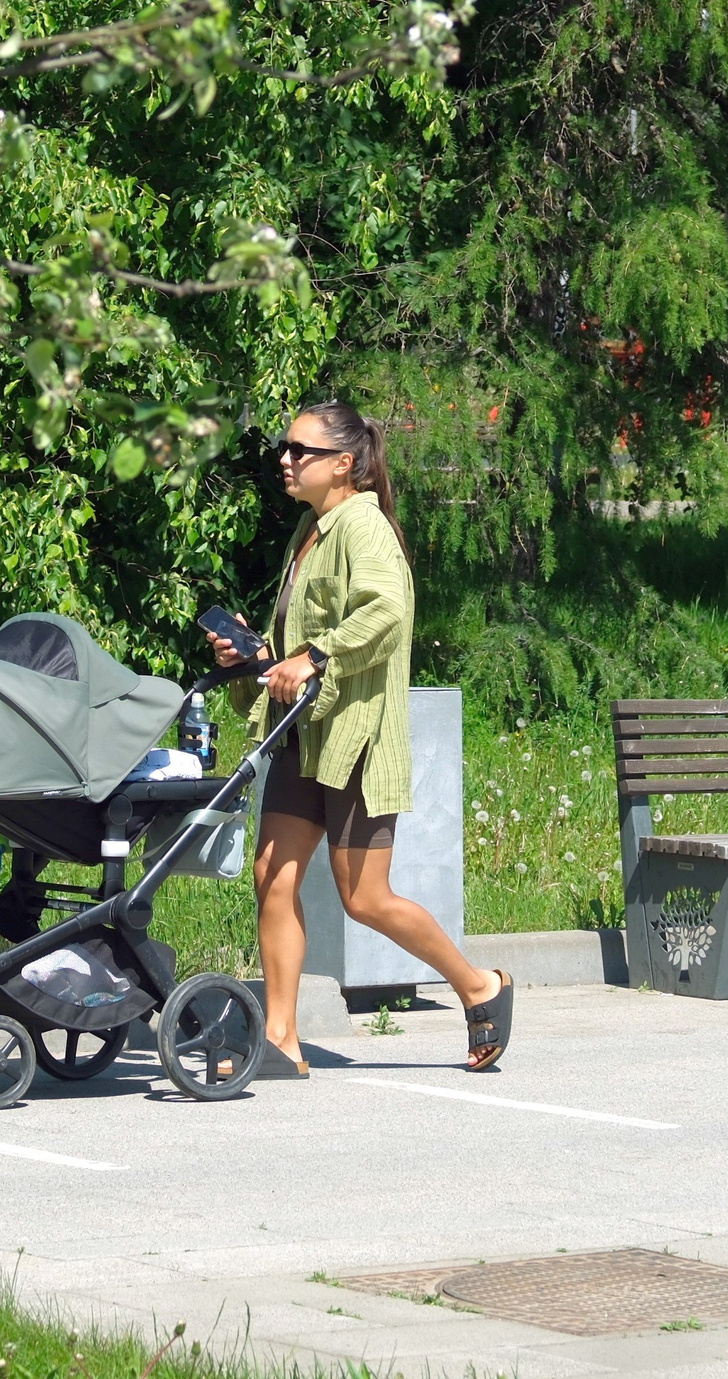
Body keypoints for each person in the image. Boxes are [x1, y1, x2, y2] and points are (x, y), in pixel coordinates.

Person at [208, 400, 514, 1073]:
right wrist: (256, 655)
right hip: (304, 735)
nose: (286, 460)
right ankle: (280, 1038)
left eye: (302, 450)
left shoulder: (363, 527)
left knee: (364, 897)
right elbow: (296, 645)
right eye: (285, 449)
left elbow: (386, 609)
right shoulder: (309, 532)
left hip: (354, 740)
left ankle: (478, 985)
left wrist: (316, 656)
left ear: (343, 463)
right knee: (272, 876)